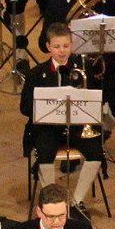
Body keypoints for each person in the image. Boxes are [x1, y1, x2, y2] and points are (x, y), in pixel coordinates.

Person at [20, 23, 103, 205]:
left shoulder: (83, 69)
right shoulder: (36, 74)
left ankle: (76, 202)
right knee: (44, 151)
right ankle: (52, 202)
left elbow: (96, 99)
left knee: (96, 152)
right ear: (48, 47)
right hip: (48, 128)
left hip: (77, 127)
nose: (62, 51)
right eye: (57, 46)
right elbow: (24, 107)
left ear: (72, 45)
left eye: (66, 46)